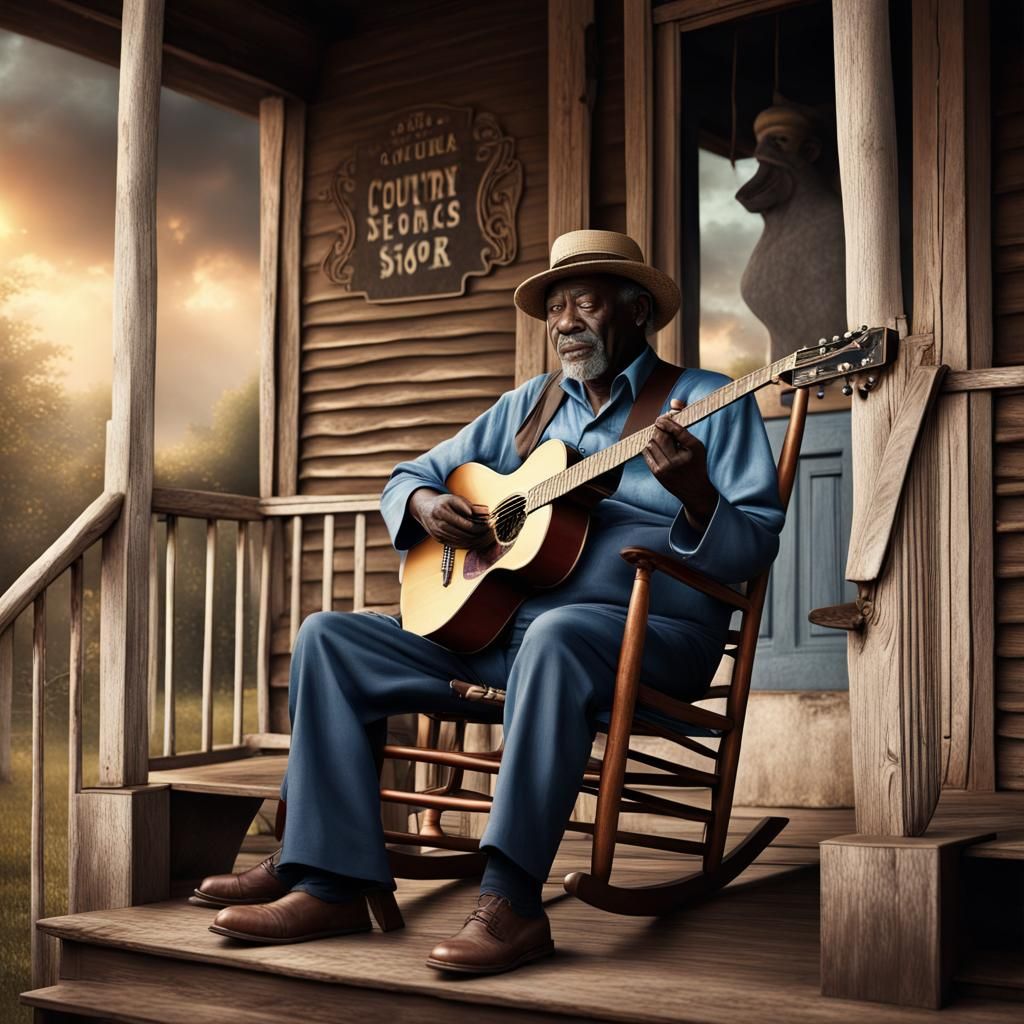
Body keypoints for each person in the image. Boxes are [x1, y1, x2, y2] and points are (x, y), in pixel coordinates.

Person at [195, 229, 785, 975]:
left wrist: (697, 495)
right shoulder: (529, 407)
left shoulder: (705, 402)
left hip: (652, 639)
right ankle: (328, 879)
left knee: (558, 634)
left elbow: (753, 549)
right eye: (556, 308)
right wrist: (426, 504)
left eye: (586, 303)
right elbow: (406, 477)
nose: (565, 322)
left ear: (637, 310)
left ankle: (511, 902)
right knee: (328, 637)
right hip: (506, 636)